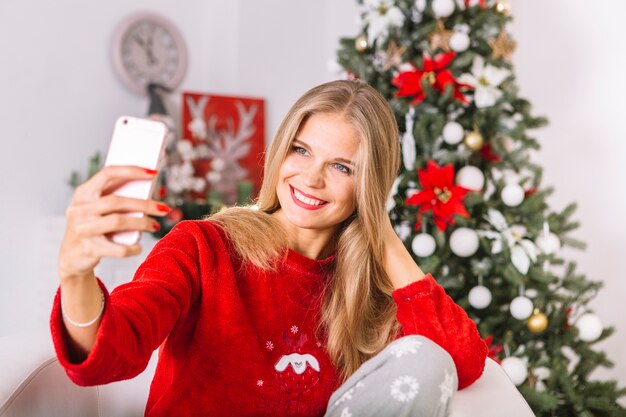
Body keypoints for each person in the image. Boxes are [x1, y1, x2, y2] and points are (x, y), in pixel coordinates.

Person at [52, 80, 488, 417]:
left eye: (341, 167)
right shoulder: (204, 246)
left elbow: (455, 362)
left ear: (370, 185)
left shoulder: (371, 291)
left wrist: (381, 230)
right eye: (301, 151)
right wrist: (75, 275)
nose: (311, 179)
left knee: (429, 360)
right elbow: (109, 355)